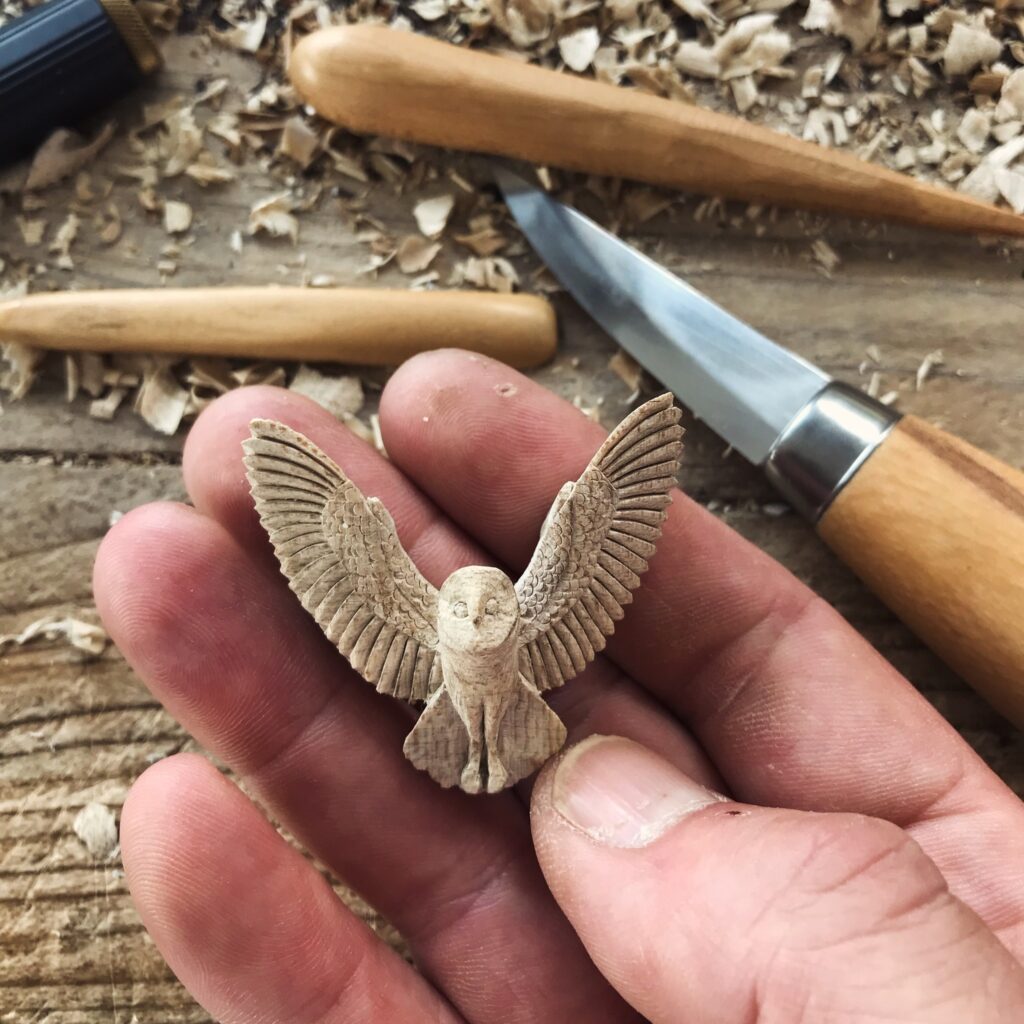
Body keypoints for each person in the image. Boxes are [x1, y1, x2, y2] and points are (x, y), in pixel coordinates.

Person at [93, 350, 1024, 1023]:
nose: (481, 619)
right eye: (467, 615)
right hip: (449, 727)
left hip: (537, 734)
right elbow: (327, 532)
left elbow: (606, 512)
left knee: (567, 506)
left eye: (492, 611)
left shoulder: (545, 601)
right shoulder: (401, 604)